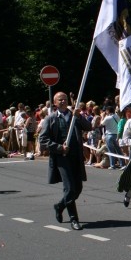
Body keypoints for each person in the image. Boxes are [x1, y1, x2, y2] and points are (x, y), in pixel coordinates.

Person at [38, 91, 92, 230]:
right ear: (55, 103)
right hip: (62, 158)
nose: (63, 101)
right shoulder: (50, 119)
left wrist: (79, 116)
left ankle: (60, 205)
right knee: (69, 188)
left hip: (76, 156)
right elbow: (43, 140)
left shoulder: (75, 116)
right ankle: (74, 218)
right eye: (60, 100)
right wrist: (59, 148)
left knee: (78, 189)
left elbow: (89, 127)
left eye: (65, 99)